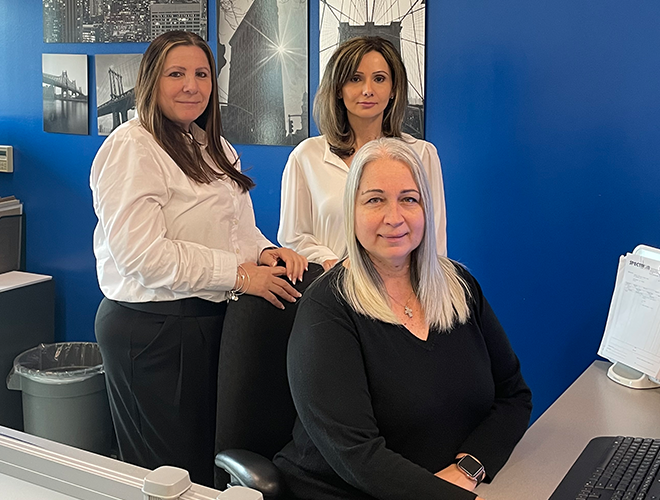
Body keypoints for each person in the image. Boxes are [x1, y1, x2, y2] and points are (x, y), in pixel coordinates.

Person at [89, 30, 306, 486]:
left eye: (202, 74)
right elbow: (141, 255)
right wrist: (241, 276)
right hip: (153, 332)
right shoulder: (133, 147)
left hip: (208, 321)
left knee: (207, 466)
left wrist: (266, 252)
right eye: (177, 74)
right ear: (151, 80)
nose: (192, 86)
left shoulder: (214, 147)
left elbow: (236, 231)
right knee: (169, 475)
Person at [273, 138, 531, 500]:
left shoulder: (459, 288)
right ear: (352, 211)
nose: (394, 218)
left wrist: (469, 467)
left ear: (426, 208)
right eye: (375, 200)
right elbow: (357, 456)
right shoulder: (327, 307)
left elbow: (514, 395)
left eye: (408, 199)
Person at [279, 36, 447, 271]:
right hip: (333, 286)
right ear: (338, 89)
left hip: (402, 286)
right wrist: (334, 264)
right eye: (355, 79)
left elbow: (435, 242)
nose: (368, 90)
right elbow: (293, 237)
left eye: (379, 79)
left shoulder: (422, 154)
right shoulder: (306, 156)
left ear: (393, 89)